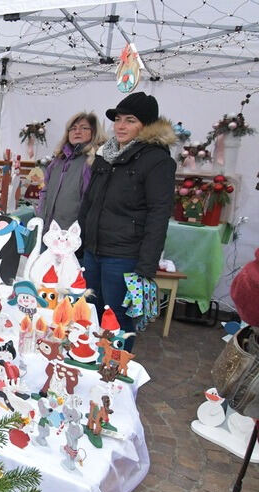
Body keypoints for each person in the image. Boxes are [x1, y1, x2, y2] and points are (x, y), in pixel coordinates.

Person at [79, 92, 176, 351]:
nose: (120, 126)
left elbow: (158, 214)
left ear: (146, 126)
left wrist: (146, 267)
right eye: (118, 119)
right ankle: (92, 367)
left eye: (130, 120)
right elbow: (88, 203)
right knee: (91, 313)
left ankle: (114, 376)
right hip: (93, 251)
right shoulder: (105, 155)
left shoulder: (157, 161)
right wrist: (78, 243)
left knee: (118, 320)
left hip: (124, 256)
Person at [38, 112, 106, 230]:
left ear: (94, 132)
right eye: (73, 128)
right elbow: (45, 191)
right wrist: (40, 216)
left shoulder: (93, 161)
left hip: (74, 234)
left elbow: (92, 201)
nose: (77, 131)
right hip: (49, 230)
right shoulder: (57, 161)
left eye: (83, 128)